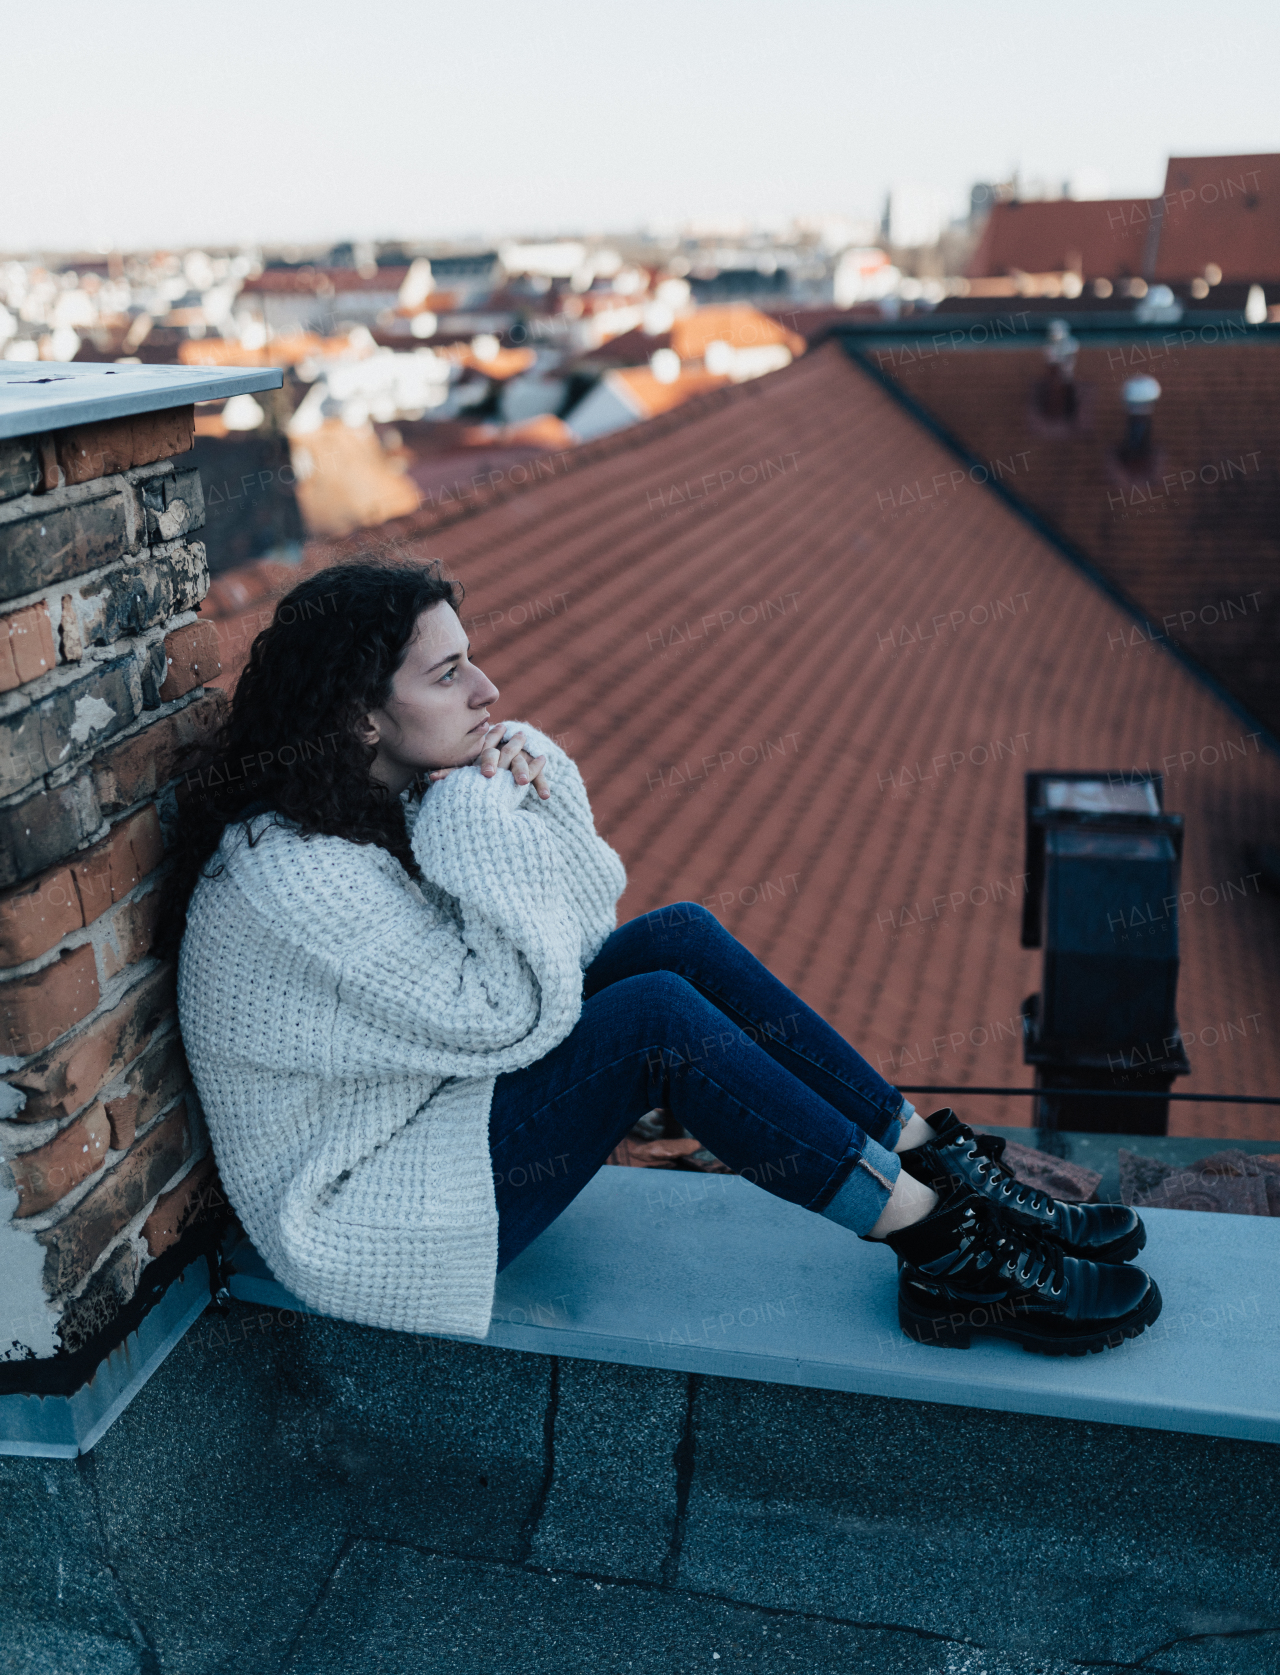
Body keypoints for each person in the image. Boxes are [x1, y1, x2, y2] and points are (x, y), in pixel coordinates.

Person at [170, 561, 1161, 1358]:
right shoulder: (295, 876)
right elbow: (515, 1012)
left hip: (436, 1109)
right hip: (367, 1214)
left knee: (672, 935)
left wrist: (528, 784)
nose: (489, 691)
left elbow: (588, 914)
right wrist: (481, 804)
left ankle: (933, 1166)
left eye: (472, 660)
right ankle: (939, 1246)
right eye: (446, 676)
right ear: (357, 718)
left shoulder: (377, 802)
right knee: (649, 1023)